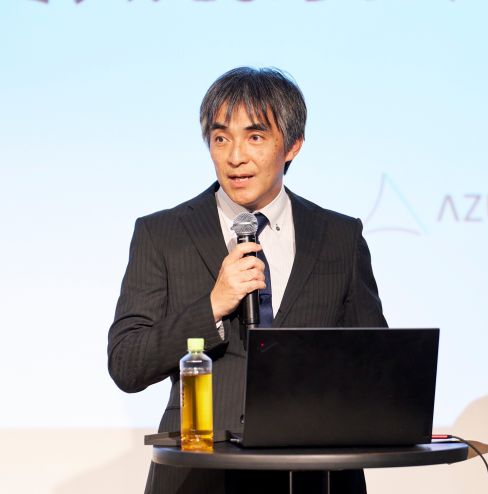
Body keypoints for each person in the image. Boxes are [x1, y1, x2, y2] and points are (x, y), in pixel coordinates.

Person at [108, 67, 387, 494]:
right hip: (199, 476)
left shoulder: (339, 236)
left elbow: (376, 365)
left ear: (292, 145)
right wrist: (212, 306)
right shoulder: (162, 234)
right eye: (220, 138)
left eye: (255, 137)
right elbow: (126, 364)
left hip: (315, 476)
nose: (235, 156)